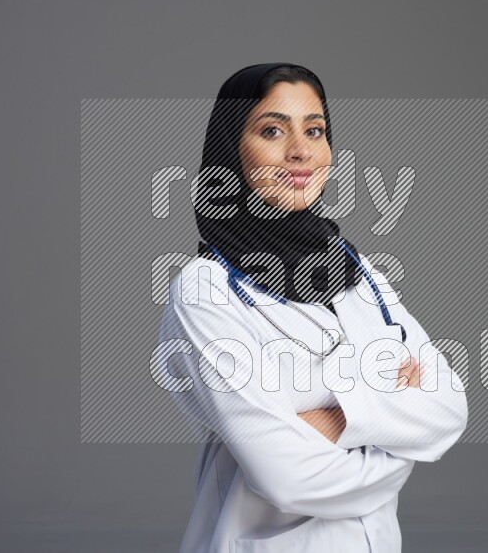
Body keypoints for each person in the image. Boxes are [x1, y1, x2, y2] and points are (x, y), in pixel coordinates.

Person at [158, 62, 468, 553]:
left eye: (315, 130)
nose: (301, 150)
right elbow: (285, 476)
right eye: (272, 130)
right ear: (230, 151)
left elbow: (449, 407)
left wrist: (329, 417)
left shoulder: (356, 270)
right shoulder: (206, 290)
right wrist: (391, 436)